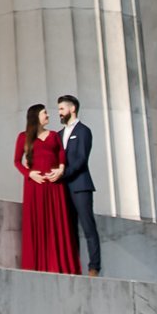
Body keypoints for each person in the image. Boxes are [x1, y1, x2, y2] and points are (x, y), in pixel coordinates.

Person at [14, 101, 80, 275]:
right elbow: (16, 161)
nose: (48, 115)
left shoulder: (53, 136)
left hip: (54, 186)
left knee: (56, 223)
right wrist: (29, 174)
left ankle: (58, 264)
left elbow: (61, 156)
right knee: (37, 221)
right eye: (45, 113)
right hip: (34, 186)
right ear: (36, 116)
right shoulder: (23, 137)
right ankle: (36, 265)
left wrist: (60, 169)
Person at [58, 93, 101, 276]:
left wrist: (63, 173)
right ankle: (73, 266)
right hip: (62, 188)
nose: (59, 112)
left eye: (61, 108)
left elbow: (81, 158)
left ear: (72, 108)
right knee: (69, 228)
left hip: (80, 185)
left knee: (88, 226)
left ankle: (94, 266)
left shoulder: (84, 131)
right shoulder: (58, 134)